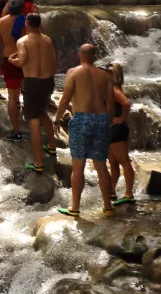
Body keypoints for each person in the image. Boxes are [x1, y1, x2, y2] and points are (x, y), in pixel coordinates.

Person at [55, 44, 115, 219]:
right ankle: (108, 207)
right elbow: (111, 103)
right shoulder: (106, 75)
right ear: (94, 56)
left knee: (78, 165)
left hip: (81, 119)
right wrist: (108, 122)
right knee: (101, 166)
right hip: (101, 119)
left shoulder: (73, 72)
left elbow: (65, 99)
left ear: (80, 55)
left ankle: (75, 207)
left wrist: (57, 119)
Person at [9, 14, 57, 174]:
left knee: (34, 122)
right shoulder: (48, 40)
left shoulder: (22, 41)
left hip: (32, 82)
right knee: (44, 112)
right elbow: (54, 63)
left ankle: (38, 163)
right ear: (40, 24)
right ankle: (51, 146)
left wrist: (11, 60)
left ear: (27, 23)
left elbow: (22, 61)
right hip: (48, 81)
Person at [0, 0, 27, 141]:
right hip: (27, 60)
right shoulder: (28, 21)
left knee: (12, 97)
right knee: (29, 94)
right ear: (22, 7)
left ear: (9, 6)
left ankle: (16, 130)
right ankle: (34, 124)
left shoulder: (1, 23)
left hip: (9, 60)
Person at [107, 62, 135, 206]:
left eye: (109, 72)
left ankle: (129, 194)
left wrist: (121, 118)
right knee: (113, 163)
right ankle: (111, 191)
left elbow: (126, 103)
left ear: (115, 75)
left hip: (117, 129)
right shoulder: (111, 88)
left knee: (124, 161)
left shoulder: (115, 89)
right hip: (112, 129)